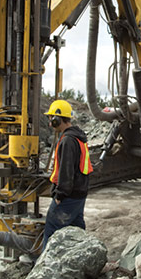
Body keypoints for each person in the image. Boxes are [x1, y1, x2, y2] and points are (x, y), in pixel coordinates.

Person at [42, 99, 93, 245]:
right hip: (79, 194)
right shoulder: (78, 138)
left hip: (68, 196)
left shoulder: (68, 141)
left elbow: (66, 170)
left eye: (51, 118)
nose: (50, 122)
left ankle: (45, 266)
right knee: (77, 233)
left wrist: (60, 194)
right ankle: (84, 262)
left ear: (58, 119)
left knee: (51, 231)